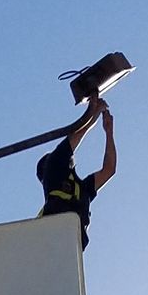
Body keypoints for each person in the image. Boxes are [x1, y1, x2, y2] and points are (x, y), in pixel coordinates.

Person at [35, 95, 116, 247]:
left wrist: (109, 132)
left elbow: (109, 170)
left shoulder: (82, 189)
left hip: (71, 244)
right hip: (53, 233)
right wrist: (94, 112)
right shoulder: (54, 165)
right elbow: (78, 134)